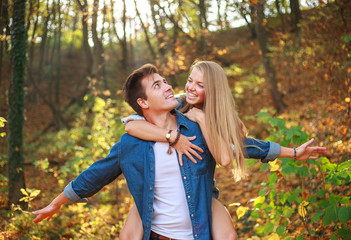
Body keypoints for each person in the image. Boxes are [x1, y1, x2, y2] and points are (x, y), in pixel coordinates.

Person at [119, 60, 327, 240]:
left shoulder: (216, 119)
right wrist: (173, 137)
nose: (190, 87)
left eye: (200, 85)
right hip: (161, 195)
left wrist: (293, 153)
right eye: (190, 80)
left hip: (200, 191)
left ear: (213, 91)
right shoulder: (177, 103)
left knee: (228, 234)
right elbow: (131, 125)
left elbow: (245, 146)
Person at [32, 64, 227, 240]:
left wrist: (259, 152)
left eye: (165, 82)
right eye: (157, 86)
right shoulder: (131, 143)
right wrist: (57, 202)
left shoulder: (196, 128)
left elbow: (237, 144)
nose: (168, 87)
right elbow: (96, 175)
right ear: (143, 103)